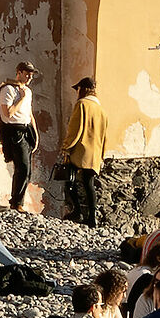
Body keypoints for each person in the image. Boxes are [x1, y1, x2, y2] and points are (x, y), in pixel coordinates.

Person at [0, 62, 39, 212]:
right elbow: (8, 113)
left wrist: (36, 134)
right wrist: (21, 98)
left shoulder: (28, 91)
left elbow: (29, 114)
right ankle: (16, 202)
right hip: (13, 131)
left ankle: (18, 201)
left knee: (27, 169)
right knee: (22, 167)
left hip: (26, 129)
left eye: (31, 74)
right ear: (18, 72)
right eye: (27, 74)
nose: (29, 77)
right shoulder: (8, 89)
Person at [60, 77, 106, 227]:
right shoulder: (101, 109)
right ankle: (92, 218)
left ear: (83, 89)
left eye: (78, 89)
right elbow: (105, 135)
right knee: (89, 184)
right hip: (95, 153)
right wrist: (102, 155)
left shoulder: (82, 104)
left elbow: (75, 129)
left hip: (81, 151)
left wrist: (66, 147)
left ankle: (77, 211)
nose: (77, 92)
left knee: (69, 180)